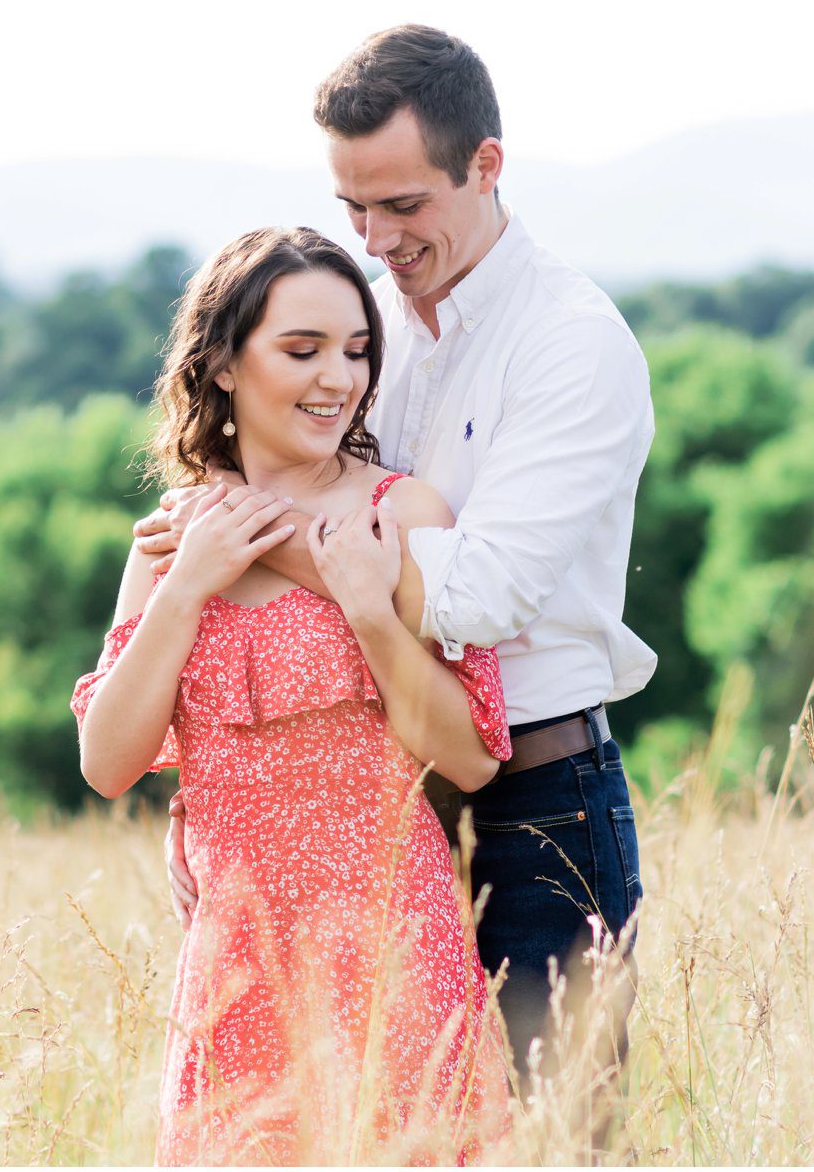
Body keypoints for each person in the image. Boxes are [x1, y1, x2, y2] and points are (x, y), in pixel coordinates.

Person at [136, 26, 653, 1123]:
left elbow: (475, 597)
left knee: (548, 1136)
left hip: (540, 806)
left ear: (485, 166)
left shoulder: (569, 342)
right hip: (376, 815)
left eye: (402, 206)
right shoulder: (370, 331)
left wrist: (231, 532)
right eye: (352, 207)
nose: (374, 240)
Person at [75, 225, 512, 1164]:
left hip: (397, 955)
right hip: (236, 979)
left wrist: (367, 608)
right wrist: (188, 583)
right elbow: (108, 763)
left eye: (356, 351)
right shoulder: (171, 538)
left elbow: (469, 754)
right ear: (224, 363)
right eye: (302, 349)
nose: (338, 379)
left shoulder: (401, 512)